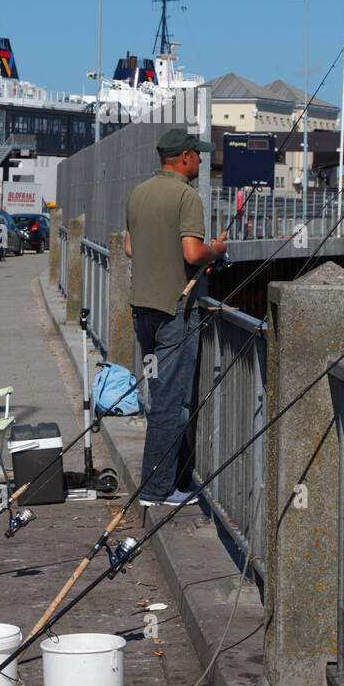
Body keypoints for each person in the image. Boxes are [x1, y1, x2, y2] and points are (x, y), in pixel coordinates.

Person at [125, 129, 226, 507]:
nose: (200, 161)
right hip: (175, 312)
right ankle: (157, 489)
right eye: (197, 155)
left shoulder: (138, 193)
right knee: (173, 402)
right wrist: (216, 250)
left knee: (160, 393)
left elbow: (130, 247)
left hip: (143, 309)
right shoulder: (187, 196)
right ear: (184, 157)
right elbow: (192, 253)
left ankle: (169, 480)